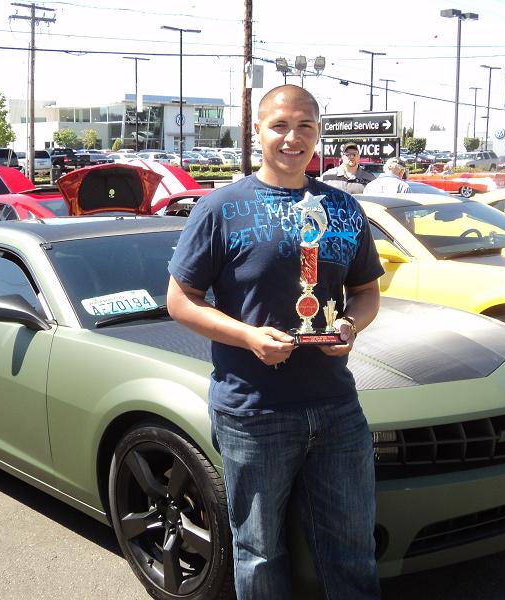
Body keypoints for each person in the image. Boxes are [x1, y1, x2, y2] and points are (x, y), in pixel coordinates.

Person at [167, 84, 383, 599]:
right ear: (257, 131)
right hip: (254, 411)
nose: (293, 138)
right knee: (260, 550)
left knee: (351, 546)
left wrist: (350, 324)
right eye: (280, 125)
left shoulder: (342, 208)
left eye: (305, 125)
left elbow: (367, 292)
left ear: (318, 133)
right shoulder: (219, 207)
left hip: (336, 408)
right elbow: (180, 300)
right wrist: (247, 337)